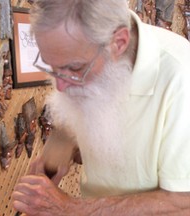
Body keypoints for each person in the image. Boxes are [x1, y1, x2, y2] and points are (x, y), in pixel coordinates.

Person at [12, 0, 190, 215]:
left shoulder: (181, 76)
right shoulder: (86, 58)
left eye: (74, 67)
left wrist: (69, 208)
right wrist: (52, 159)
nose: (60, 85)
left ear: (119, 43)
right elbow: (76, 118)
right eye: (53, 67)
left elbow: (182, 201)